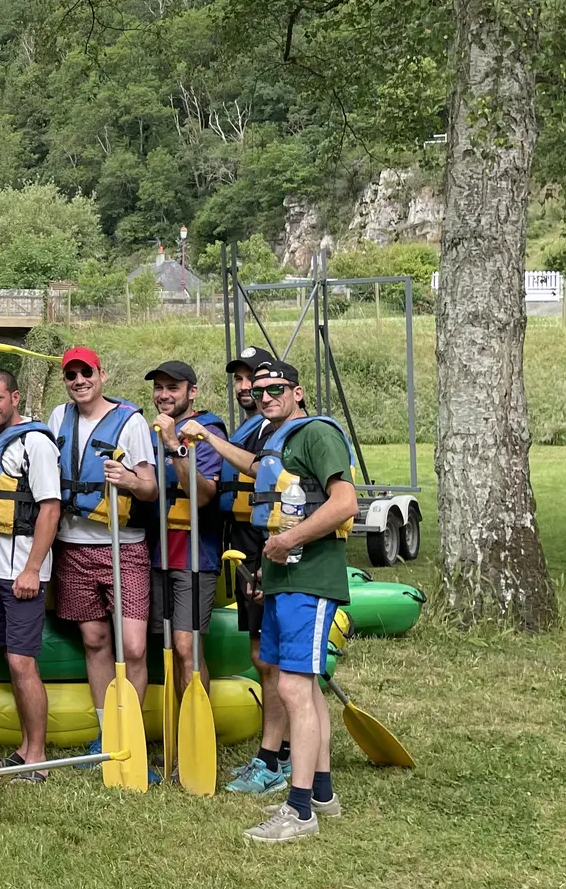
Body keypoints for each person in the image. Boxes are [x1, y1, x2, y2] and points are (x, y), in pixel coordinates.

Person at [222, 360, 355, 841]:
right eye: (258, 391)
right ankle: (322, 794)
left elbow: (344, 503)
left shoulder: (316, 434)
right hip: (281, 577)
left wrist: (284, 542)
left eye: (276, 388)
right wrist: (265, 565)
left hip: (311, 579)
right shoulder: (277, 442)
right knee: (305, 688)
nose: (266, 396)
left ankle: (298, 812)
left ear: (297, 392)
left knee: (295, 689)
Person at [179, 348, 293, 789]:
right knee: (262, 655)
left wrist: (205, 440)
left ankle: (275, 758)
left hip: (273, 543)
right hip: (246, 543)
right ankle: (275, 752)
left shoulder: (283, 429)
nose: (247, 388)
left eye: (256, 381)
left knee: (271, 658)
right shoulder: (255, 427)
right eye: (242, 381)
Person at [45, 346, 156, 760]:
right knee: (94, 640)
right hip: (73, 545)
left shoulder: (131, 422)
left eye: (85, 373)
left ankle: (132, 731)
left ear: (101, 374)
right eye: (71, 375)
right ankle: (105, 731)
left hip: (122, 546)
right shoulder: (58, 418)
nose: (79, 381)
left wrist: (127, 477)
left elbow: (150, 486)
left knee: (134, 645)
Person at [0, 363, 61, 776]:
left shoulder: (35, 443)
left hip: (21, 570)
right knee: (8, 657)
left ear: (16, 398)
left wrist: (32, 569)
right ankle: (24, 748)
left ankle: (37, 756)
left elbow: (49, 508)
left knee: (23, 662)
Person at [144, 360, 226, 703]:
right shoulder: (148, 432)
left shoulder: (207, 433)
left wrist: (173, 443)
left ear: (192, 393)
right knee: (167, 648)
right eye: (159, 388)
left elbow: (203, 495)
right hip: (156, 554)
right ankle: (178, 732)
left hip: (195, 556)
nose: (164, 395)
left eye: (172, 388)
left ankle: (197, 735)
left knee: (186, 645)